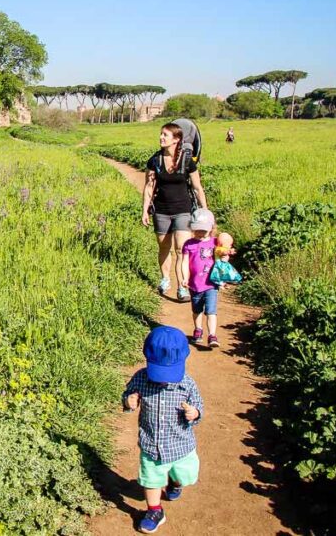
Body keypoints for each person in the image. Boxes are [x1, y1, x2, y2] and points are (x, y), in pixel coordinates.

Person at [123, 326, 204, 533]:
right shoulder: (141, 378)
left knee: (183, 475)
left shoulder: (187, 385)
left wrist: (194, 413)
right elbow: (129, 393)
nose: (162, 379)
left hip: (181, 445)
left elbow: (199, 408)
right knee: (151, 478)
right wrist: (129, 400)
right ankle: (154, 510)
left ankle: (175, 484)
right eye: (158, 371)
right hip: (152, 444)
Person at [141, 123, 209, 300]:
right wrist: (144, 211)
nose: (161, 137)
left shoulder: (187, 161)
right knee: (164, 247)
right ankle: (165, 279)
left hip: (183, 210)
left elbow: (197, 188)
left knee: (181, 250)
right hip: (161, 210)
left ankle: (182, 286)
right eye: (161, 134)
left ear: (176, 139)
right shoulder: (154, 160)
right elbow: (148, 187)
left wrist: (205, 211)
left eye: (165, 135)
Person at [181, 208, 226, 347]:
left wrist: (222, 279)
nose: (200, 233)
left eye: (204, 230)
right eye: (197, 230)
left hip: (211, 284)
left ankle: (212, 335)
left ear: (212, 228)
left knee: (211, 311)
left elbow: (221, 262)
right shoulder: (188, 244)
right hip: (194, 284)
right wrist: (184, 278)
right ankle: (198, 330)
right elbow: (184, 262)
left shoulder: (215, 243)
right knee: (197, 310)